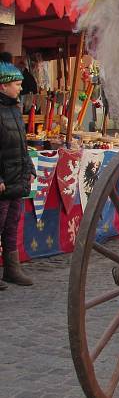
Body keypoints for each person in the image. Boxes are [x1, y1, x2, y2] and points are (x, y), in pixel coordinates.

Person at [0, 54, 36, 289]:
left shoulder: (14, 109)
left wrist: (30, 167)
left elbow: (22, 144)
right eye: (17, 84)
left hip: (16, 177)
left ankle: (12, 270)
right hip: (3, 180)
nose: (21, 87)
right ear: (3, 86)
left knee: (12, 224)